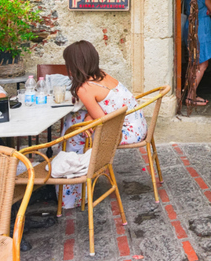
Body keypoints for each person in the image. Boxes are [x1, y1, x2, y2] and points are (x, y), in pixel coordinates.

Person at [60, 40, 147, 209]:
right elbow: (103, 110)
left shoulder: (84, 88)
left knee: (73, 132)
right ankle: (72, 183)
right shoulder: (102, 74)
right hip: (138, 125)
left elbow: (104, 122)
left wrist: (89, 120)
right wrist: (88, 118)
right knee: (76, 122)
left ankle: (71, 190)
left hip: (123, 131)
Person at [182, 0, 211, 106]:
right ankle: (190, 96)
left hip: (189, 26)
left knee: (193, 62)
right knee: (203, 64)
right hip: (201, 29)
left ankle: (192, 94)